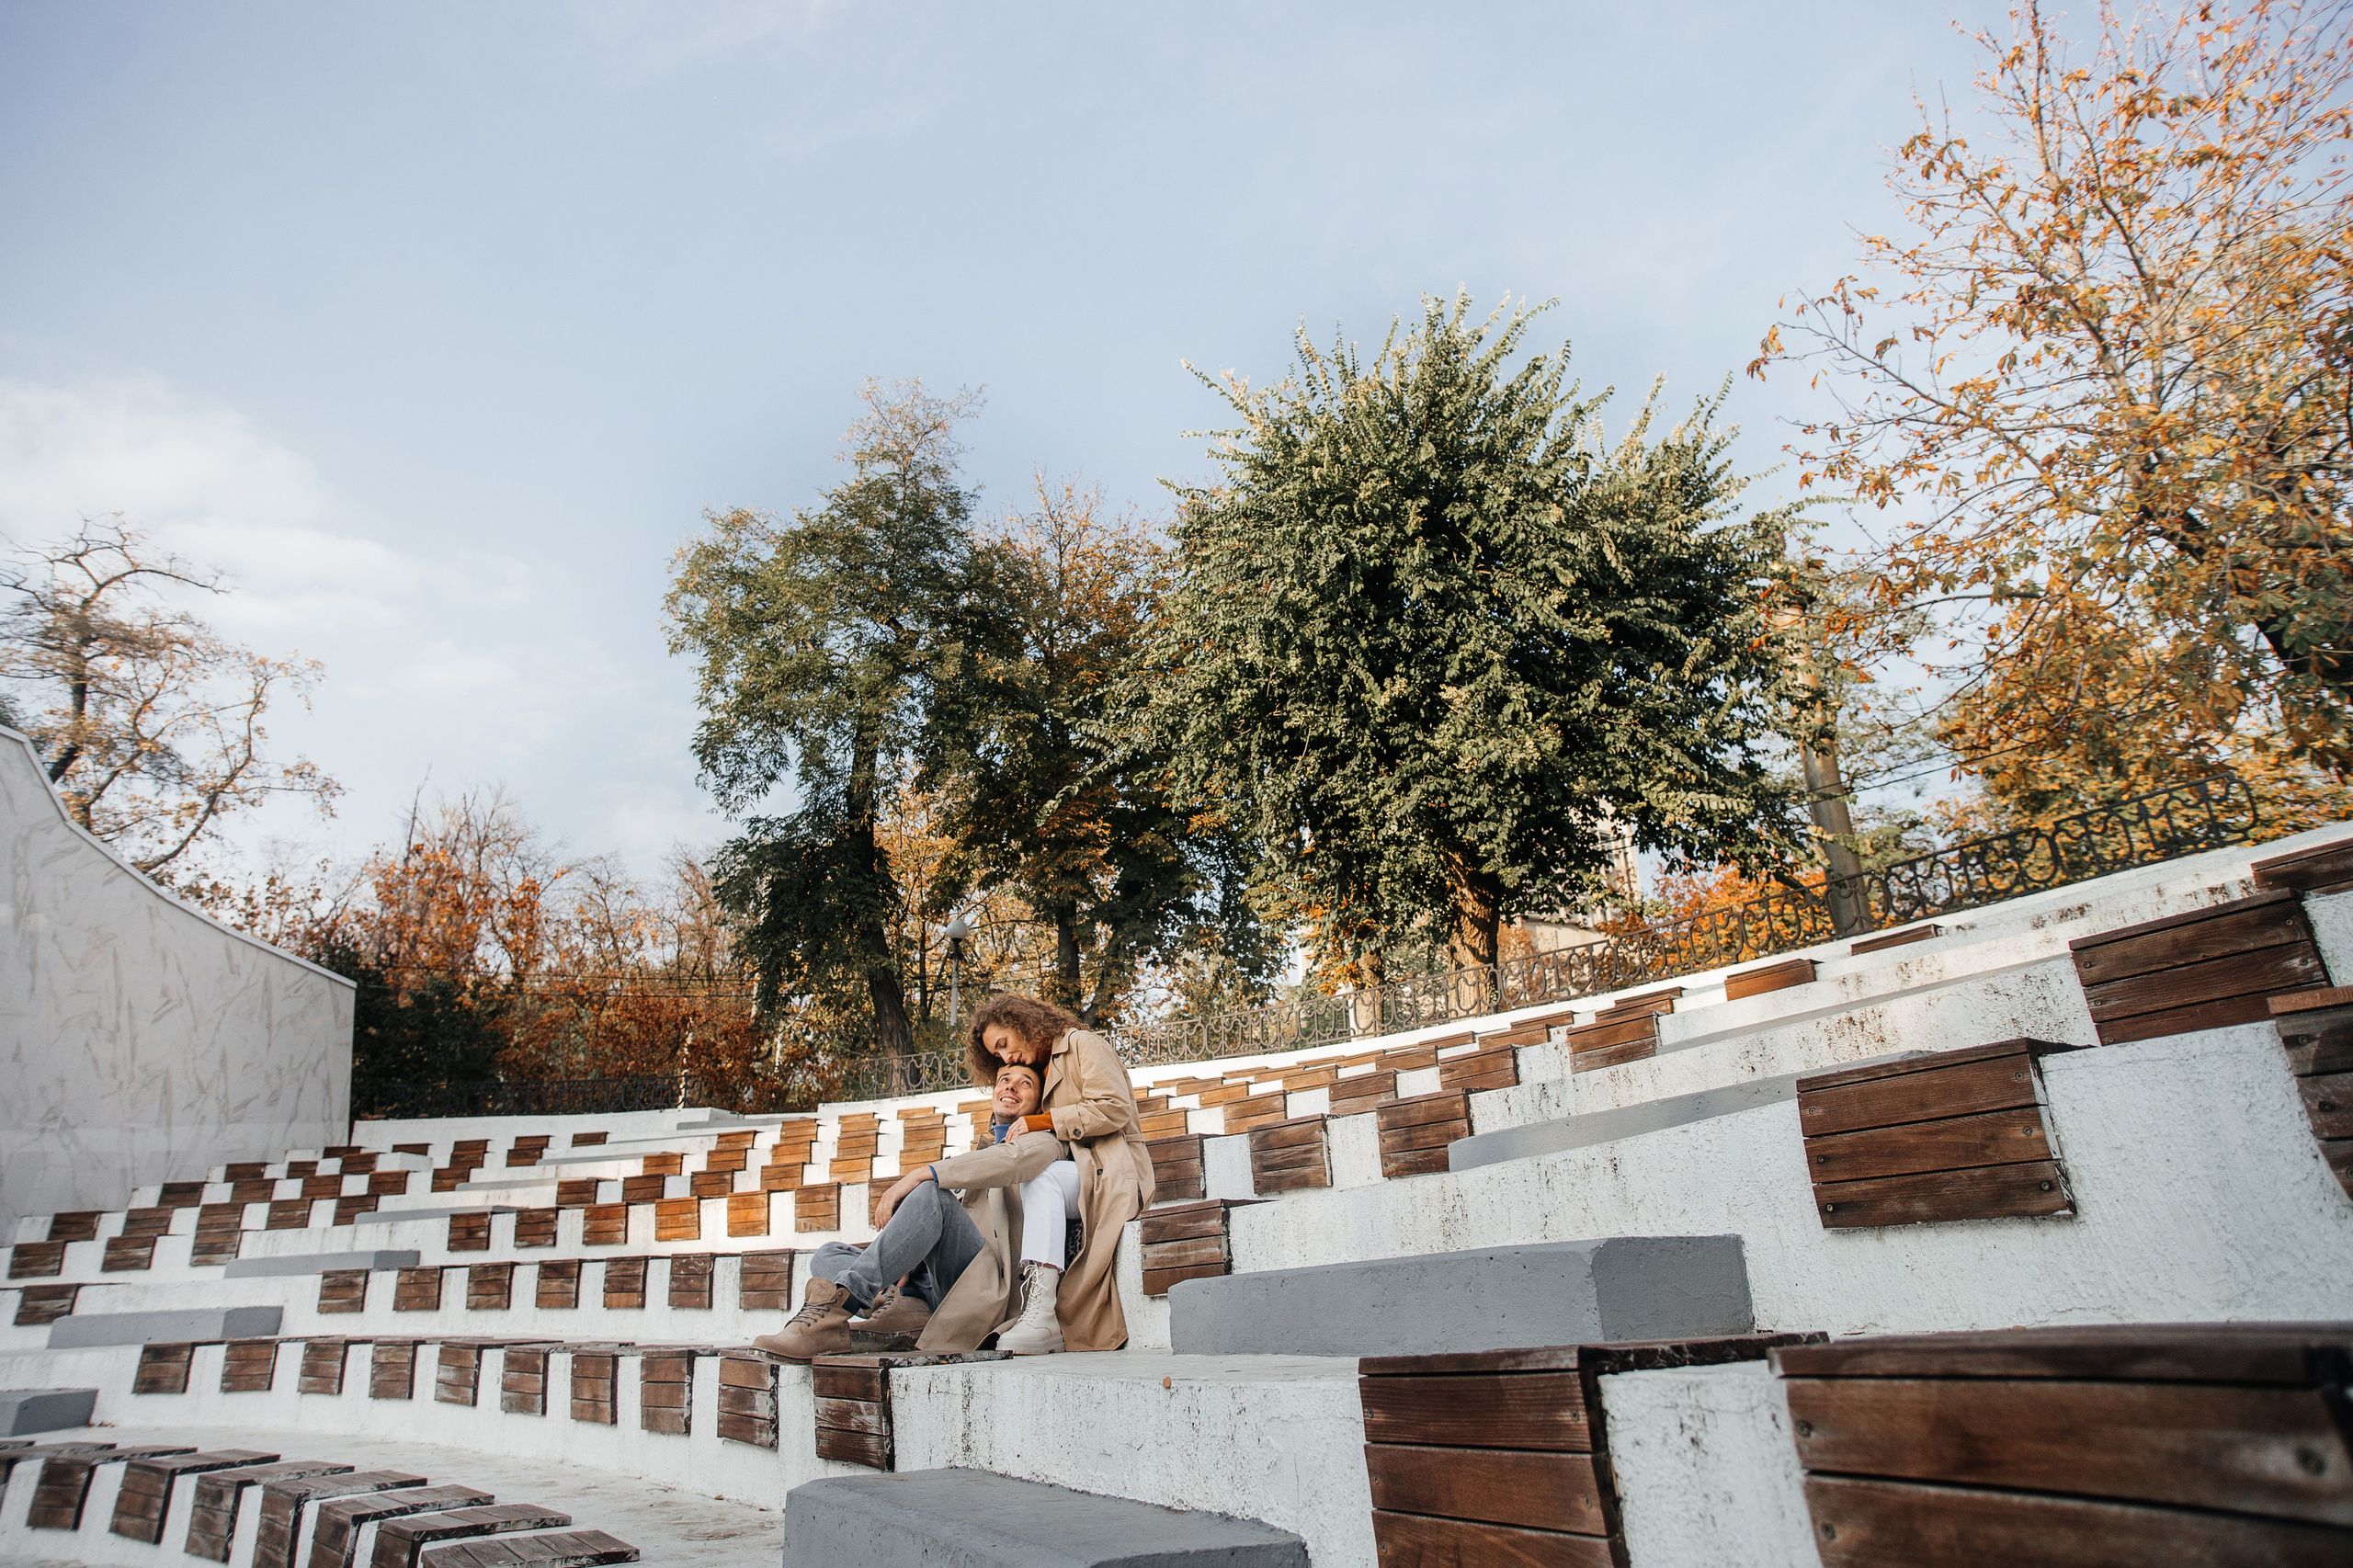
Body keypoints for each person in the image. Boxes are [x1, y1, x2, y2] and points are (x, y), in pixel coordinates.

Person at [752, 992, 1154, 1359]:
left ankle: (835, 1311)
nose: (1009, 1066)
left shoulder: (1044, 1135)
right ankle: (904, 1298)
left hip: (988, 1271)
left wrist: (919, 1175)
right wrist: (909, 1252)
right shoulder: (987, 1143)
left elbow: (1109, 1110)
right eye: (1001, 1070)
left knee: (930, 1196)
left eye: (1008, 1050)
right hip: (939, 1274)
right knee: (828, 1254)